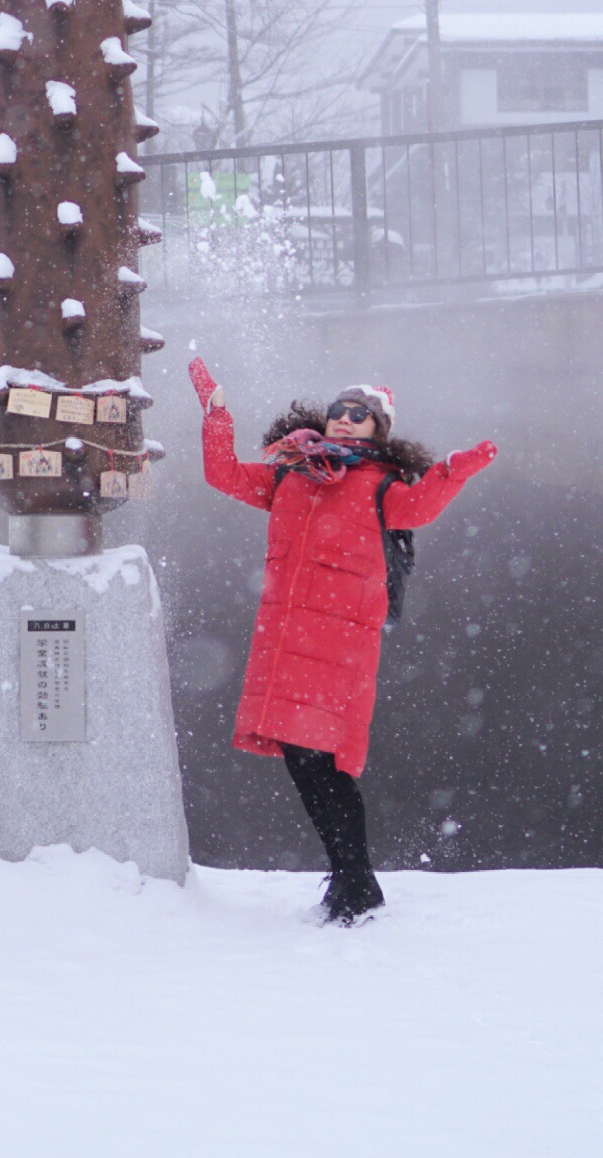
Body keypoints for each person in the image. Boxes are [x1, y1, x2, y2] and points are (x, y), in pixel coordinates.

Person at [188, 361, 497, 924]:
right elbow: (224, 474)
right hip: (286, 641)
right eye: (341, 412)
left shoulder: (383, 485)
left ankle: (356, 883)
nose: (348, 422)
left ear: (381, 431)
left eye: (363, 417)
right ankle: (350, 877)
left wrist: (454, 470)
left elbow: (419, 507)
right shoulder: (290, 475)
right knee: (302, 761)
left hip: (337, 644)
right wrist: (216, 414)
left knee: (326, 761)